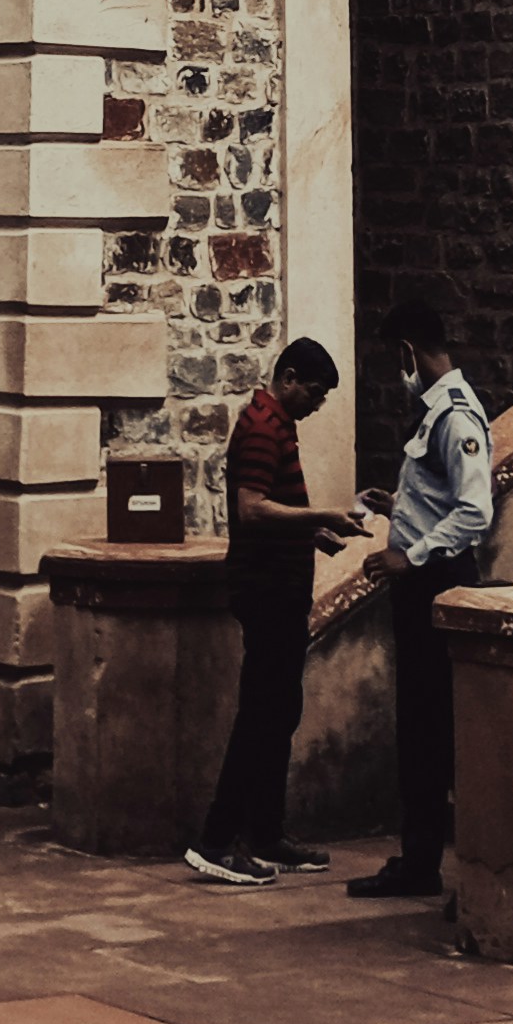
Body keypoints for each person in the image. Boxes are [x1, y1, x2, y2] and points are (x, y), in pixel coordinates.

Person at [183, 337, 373, 887]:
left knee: (279, 712)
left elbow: (272, 509)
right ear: (288, 378)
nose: (317, 404)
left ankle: (266, 834)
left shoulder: (275, 423)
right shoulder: (264, 428)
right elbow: (252, 509)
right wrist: (324, 515)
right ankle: (217, 840)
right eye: (313, 392)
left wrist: (313, 534)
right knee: (261, 716)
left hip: (279, 589)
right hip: (266, 590)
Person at [346, 300, 494, 899]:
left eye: (396, 356)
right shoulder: (436, 412)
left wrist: (411, 555)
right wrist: (397, 507)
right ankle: (419, 858)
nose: (398, 369)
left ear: (409, 350)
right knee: (420, 724)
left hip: (436, 580)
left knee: (431, 726)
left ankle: (427, 862)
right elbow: (442, 500)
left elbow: (475, 510)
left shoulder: (455, 417)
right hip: (424, 581)